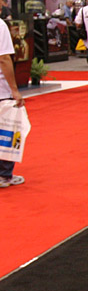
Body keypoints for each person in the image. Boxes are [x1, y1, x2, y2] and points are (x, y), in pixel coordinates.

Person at [0, 16, 25, 188]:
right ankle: (3, 175)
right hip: (1, 91)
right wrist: (14, 90)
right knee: (8, 129)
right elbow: (3, 59)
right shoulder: (0, 25)